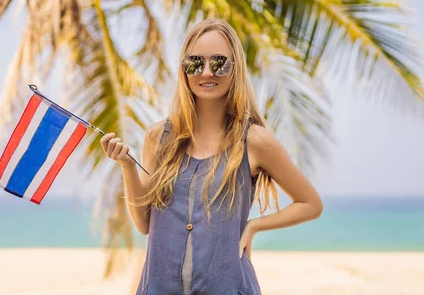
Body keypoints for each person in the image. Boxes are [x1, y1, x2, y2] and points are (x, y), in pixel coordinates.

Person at [100, 18, 323, 294]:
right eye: (195, 63)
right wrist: (127, 167)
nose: (207, 72)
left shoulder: (255, 141)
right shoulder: (158, 138)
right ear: (184, 69)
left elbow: (310, 203)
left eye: (219, 63)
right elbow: (144, 224)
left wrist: (253, 226)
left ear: (235, 68)